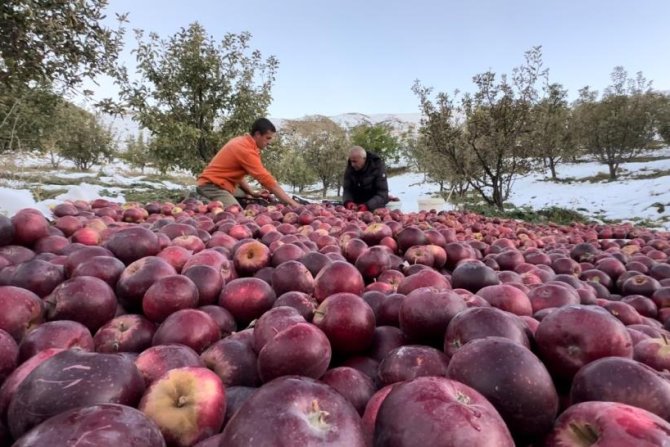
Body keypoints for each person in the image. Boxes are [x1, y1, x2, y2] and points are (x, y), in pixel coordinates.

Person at [196, 118, 299, 208]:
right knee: (236, 214)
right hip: (212, 186)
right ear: (257, 134)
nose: (269, 142)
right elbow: (266, 180)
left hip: (225, 184)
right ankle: (201, 202)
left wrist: (251, 192)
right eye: (267, 138)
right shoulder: (245, 149)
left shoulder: (245, 142)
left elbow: (238, 176)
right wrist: (294, 204)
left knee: (247, 198)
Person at [342, 146, 389, 211]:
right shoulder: (350, 167)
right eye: (351, 161)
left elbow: (382, 194)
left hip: (375, 208)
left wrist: (368, 206)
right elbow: (347, 189)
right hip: (355, 208)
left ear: (364, 159)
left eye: (355, 161)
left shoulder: (377, 167)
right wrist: (348, 202)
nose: (352, 164)